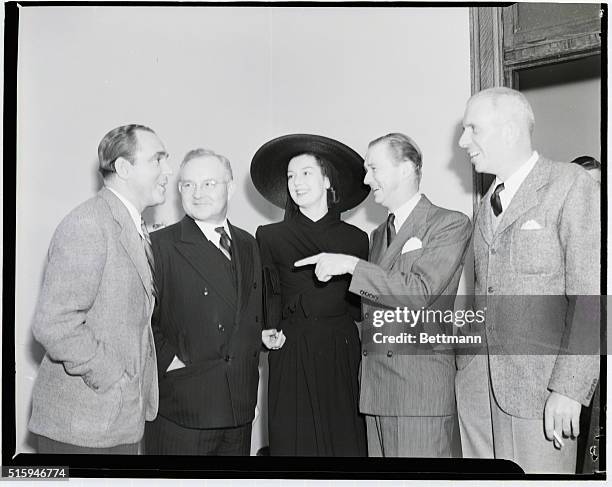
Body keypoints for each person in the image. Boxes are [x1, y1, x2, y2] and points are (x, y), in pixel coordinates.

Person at [295, 133, 472, 457]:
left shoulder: (449, 224)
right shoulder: (378, 235)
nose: (366, 179)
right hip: (375, 393)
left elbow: (420, 291)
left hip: (418, 394)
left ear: (406, 168)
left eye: (374, 169)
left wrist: (351, 265)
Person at [456, 87, 600, 473]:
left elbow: (591, 298)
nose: (462, 141)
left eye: (473, 129)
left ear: (508, 130)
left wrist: (570, 389)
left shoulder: (570, 184)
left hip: (539, 395)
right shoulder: (487, 202)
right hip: (478, 395)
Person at [28, 124, 171, 453]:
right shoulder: (89, 223)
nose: (168, 170)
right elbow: (54, 323)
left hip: (120, 424)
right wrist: (113, 377)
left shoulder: (132, 225)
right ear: (124, 168)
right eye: (158, 160)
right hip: (82, 430)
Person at [144, 148, 279, 455]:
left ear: (229, 187)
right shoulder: (159, 246)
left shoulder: (248, 243)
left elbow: (242, 311)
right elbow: (140, 320)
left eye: (209, 184)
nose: (198, 193)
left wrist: (257, 337)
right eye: (188, 185)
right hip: (184, 408)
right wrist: (171, 363)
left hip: (239, 409)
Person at [250, 134, 370, 456]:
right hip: (292, 351)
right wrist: (267, 332)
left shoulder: (357, 240)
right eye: (290, 176)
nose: (296, 183)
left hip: (341, 352)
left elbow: (359, 308)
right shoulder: (270, 236)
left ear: (327, 179)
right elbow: (266, 300)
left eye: (305, 173)